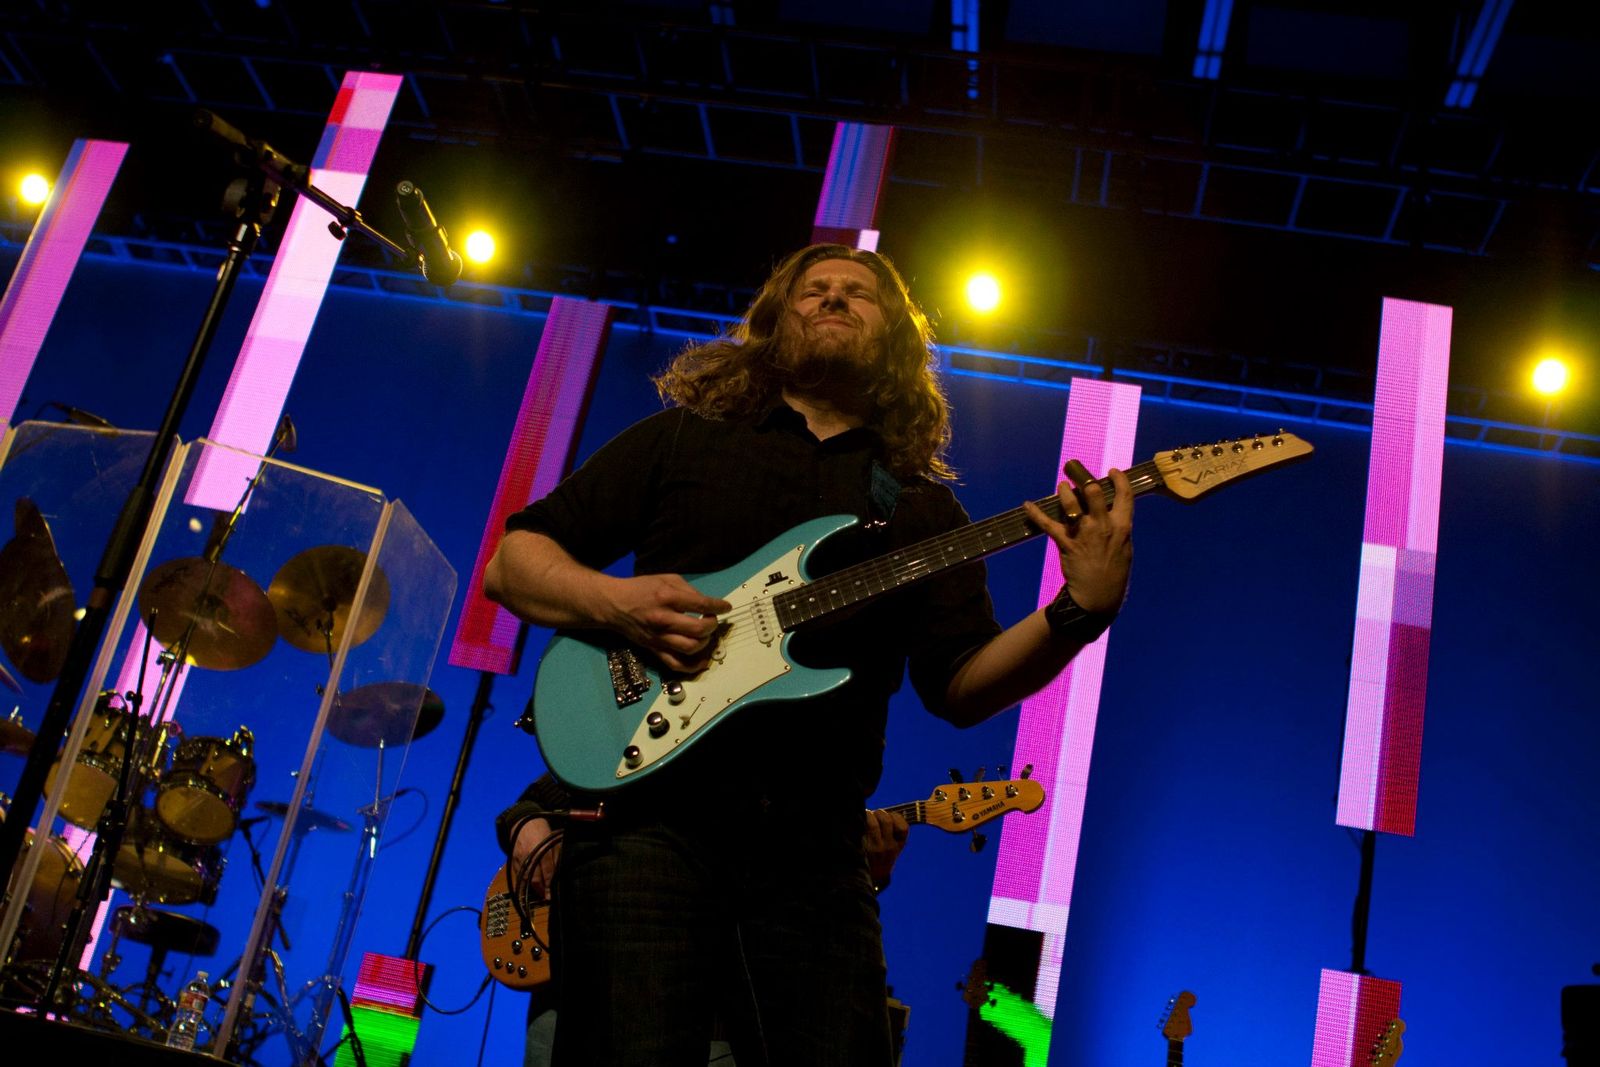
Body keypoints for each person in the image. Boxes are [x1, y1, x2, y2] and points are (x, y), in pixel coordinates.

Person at [484, 243, 1133, 1067]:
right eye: (813, 290)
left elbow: (961, 685)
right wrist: (621, 603)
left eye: (859, 294)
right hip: (650, 826)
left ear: (895, 340)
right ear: (775, 324)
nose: (832, 297)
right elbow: (514, 562)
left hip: (817, 857)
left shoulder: (923, 511)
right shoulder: (684, 440)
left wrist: (1078, 612)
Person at [494, 773, 911, 1067]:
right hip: (601, 993)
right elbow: (536, 799)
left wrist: (871, 876)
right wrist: (523, 823)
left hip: (723, 1025)